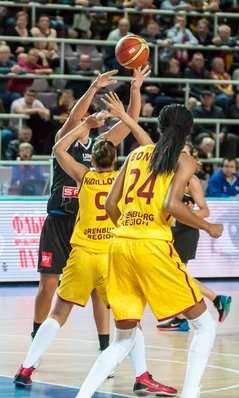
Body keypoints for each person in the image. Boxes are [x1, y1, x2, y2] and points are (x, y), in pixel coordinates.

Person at [15, 97, 177, 395]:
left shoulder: (84, 177)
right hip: (112, 257)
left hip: (82, 254)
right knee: (130, 321)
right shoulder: (125, 178)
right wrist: (132, 97)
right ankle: (141, 375)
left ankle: (26, 368)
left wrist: (84, 128)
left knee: (58, 313)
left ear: (92, 160)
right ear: (116, 161)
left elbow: (57, 149)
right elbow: (144, 148)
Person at [75, 103, 223, 398]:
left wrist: (129, 231)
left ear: (160, 126)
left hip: (119, 246)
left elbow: (109, 205)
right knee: (205, 325)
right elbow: (172, 205)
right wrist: (208, 228)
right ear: (187, 131)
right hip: (153, 247)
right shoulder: (185, 161)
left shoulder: (133, 155)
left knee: (123, 340)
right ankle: (190, 394)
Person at [29, 66, 149, 372]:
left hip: (89, 227)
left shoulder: (102, 145)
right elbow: (73, 119)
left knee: (99, 291)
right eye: (84, 117)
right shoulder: (64, 138)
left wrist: (136, 90)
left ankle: (105, 347)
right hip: (60, 219)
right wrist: (94, 88)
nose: (89, 119)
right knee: (48, 285)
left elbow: (129, 121)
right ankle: (35, 338)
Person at [157, 143, 232, 332]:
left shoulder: (192, 181)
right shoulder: (167, 176)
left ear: (192, 158)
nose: (180, 155)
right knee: (175, 276)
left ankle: (215, 299)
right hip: (169, 232)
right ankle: (183, 317)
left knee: (176, 275)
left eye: (184, 153)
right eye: (178, 151)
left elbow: (205, 210)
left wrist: (191, 214)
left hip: (185, 233)